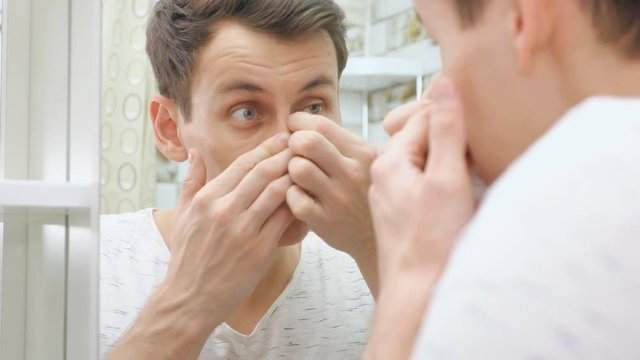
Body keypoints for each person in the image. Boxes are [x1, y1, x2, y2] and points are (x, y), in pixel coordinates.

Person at [100, 1, 378, 359]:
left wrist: (380, 251)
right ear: (170, 130)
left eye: (313, 107)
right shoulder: (81, 263)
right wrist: (186, 304)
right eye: (246, 112)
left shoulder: (372, 271)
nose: (292, 146)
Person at [366, 0, 640, 359]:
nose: (432, 95)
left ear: (521, 19)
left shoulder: (553, 223)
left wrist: (412, 276)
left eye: (438, 42)